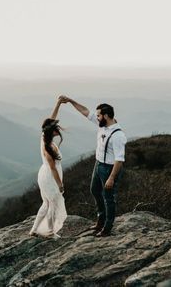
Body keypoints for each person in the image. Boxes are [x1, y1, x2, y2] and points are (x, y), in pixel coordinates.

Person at [61, 96, 126, 237]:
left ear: (106, 116)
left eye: (98, 115)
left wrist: (111, 178)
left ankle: (107, 228)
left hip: (109, 168)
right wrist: (71, 101)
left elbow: (119, 160)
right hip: (98, 165)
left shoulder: (118, 135)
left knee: (108, 198)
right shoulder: (102, 125)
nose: (96, 118)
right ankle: (100, 220)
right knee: (94, 190)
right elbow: (85, 111)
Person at [29, 97, 68, 239]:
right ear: (52, 132)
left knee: (46, 203)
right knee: (53, 204)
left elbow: (51, 119)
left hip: (45, 174)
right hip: (50, 176)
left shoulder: (44, 136)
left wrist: (58, 104)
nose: (58, 130)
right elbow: (53, 168)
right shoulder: (48, 147)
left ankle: (34, 229)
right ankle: (50, 232)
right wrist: (60, 185)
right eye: (56, 129)